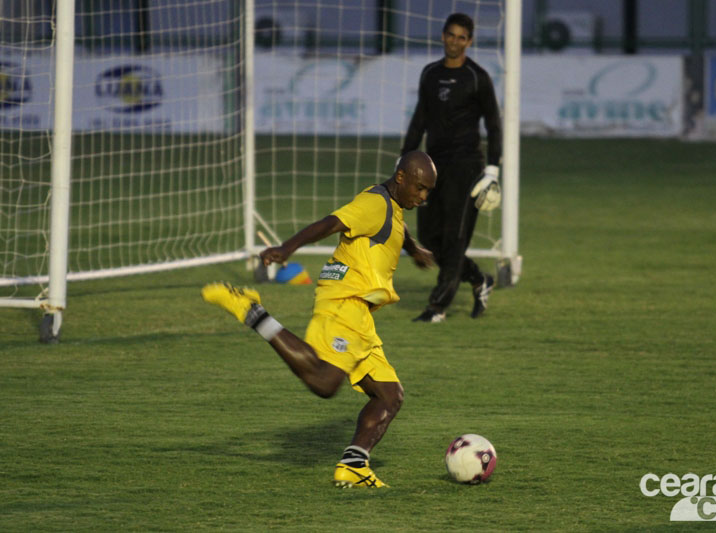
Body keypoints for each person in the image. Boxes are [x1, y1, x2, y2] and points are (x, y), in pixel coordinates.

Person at [201, 151, 437, 488]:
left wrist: (413, 249)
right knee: (325, 383)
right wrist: (287, 248)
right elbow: (331, 223)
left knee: (389, 395)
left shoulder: (391, 205)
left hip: (360, 312)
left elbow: (396, 227)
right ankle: (252, 312)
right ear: (401, 177)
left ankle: (354, 466)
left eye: (428, 191)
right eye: (420, 188)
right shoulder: (374, 203)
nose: (423, 196)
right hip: (345, 301)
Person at [401, 12, 503, 323]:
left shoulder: (477, 77)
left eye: (462, 37)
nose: (455, 41)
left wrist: (493, 171)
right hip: (433, 166)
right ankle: (478, 278)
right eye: (451, 35)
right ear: (443, 36)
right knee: (429, 238)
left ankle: (437, 307)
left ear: (469, 41)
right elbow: (420, 119)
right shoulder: (430, 74)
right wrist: (405, 157)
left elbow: (494, 125)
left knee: (455, 237)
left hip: (467, 166)